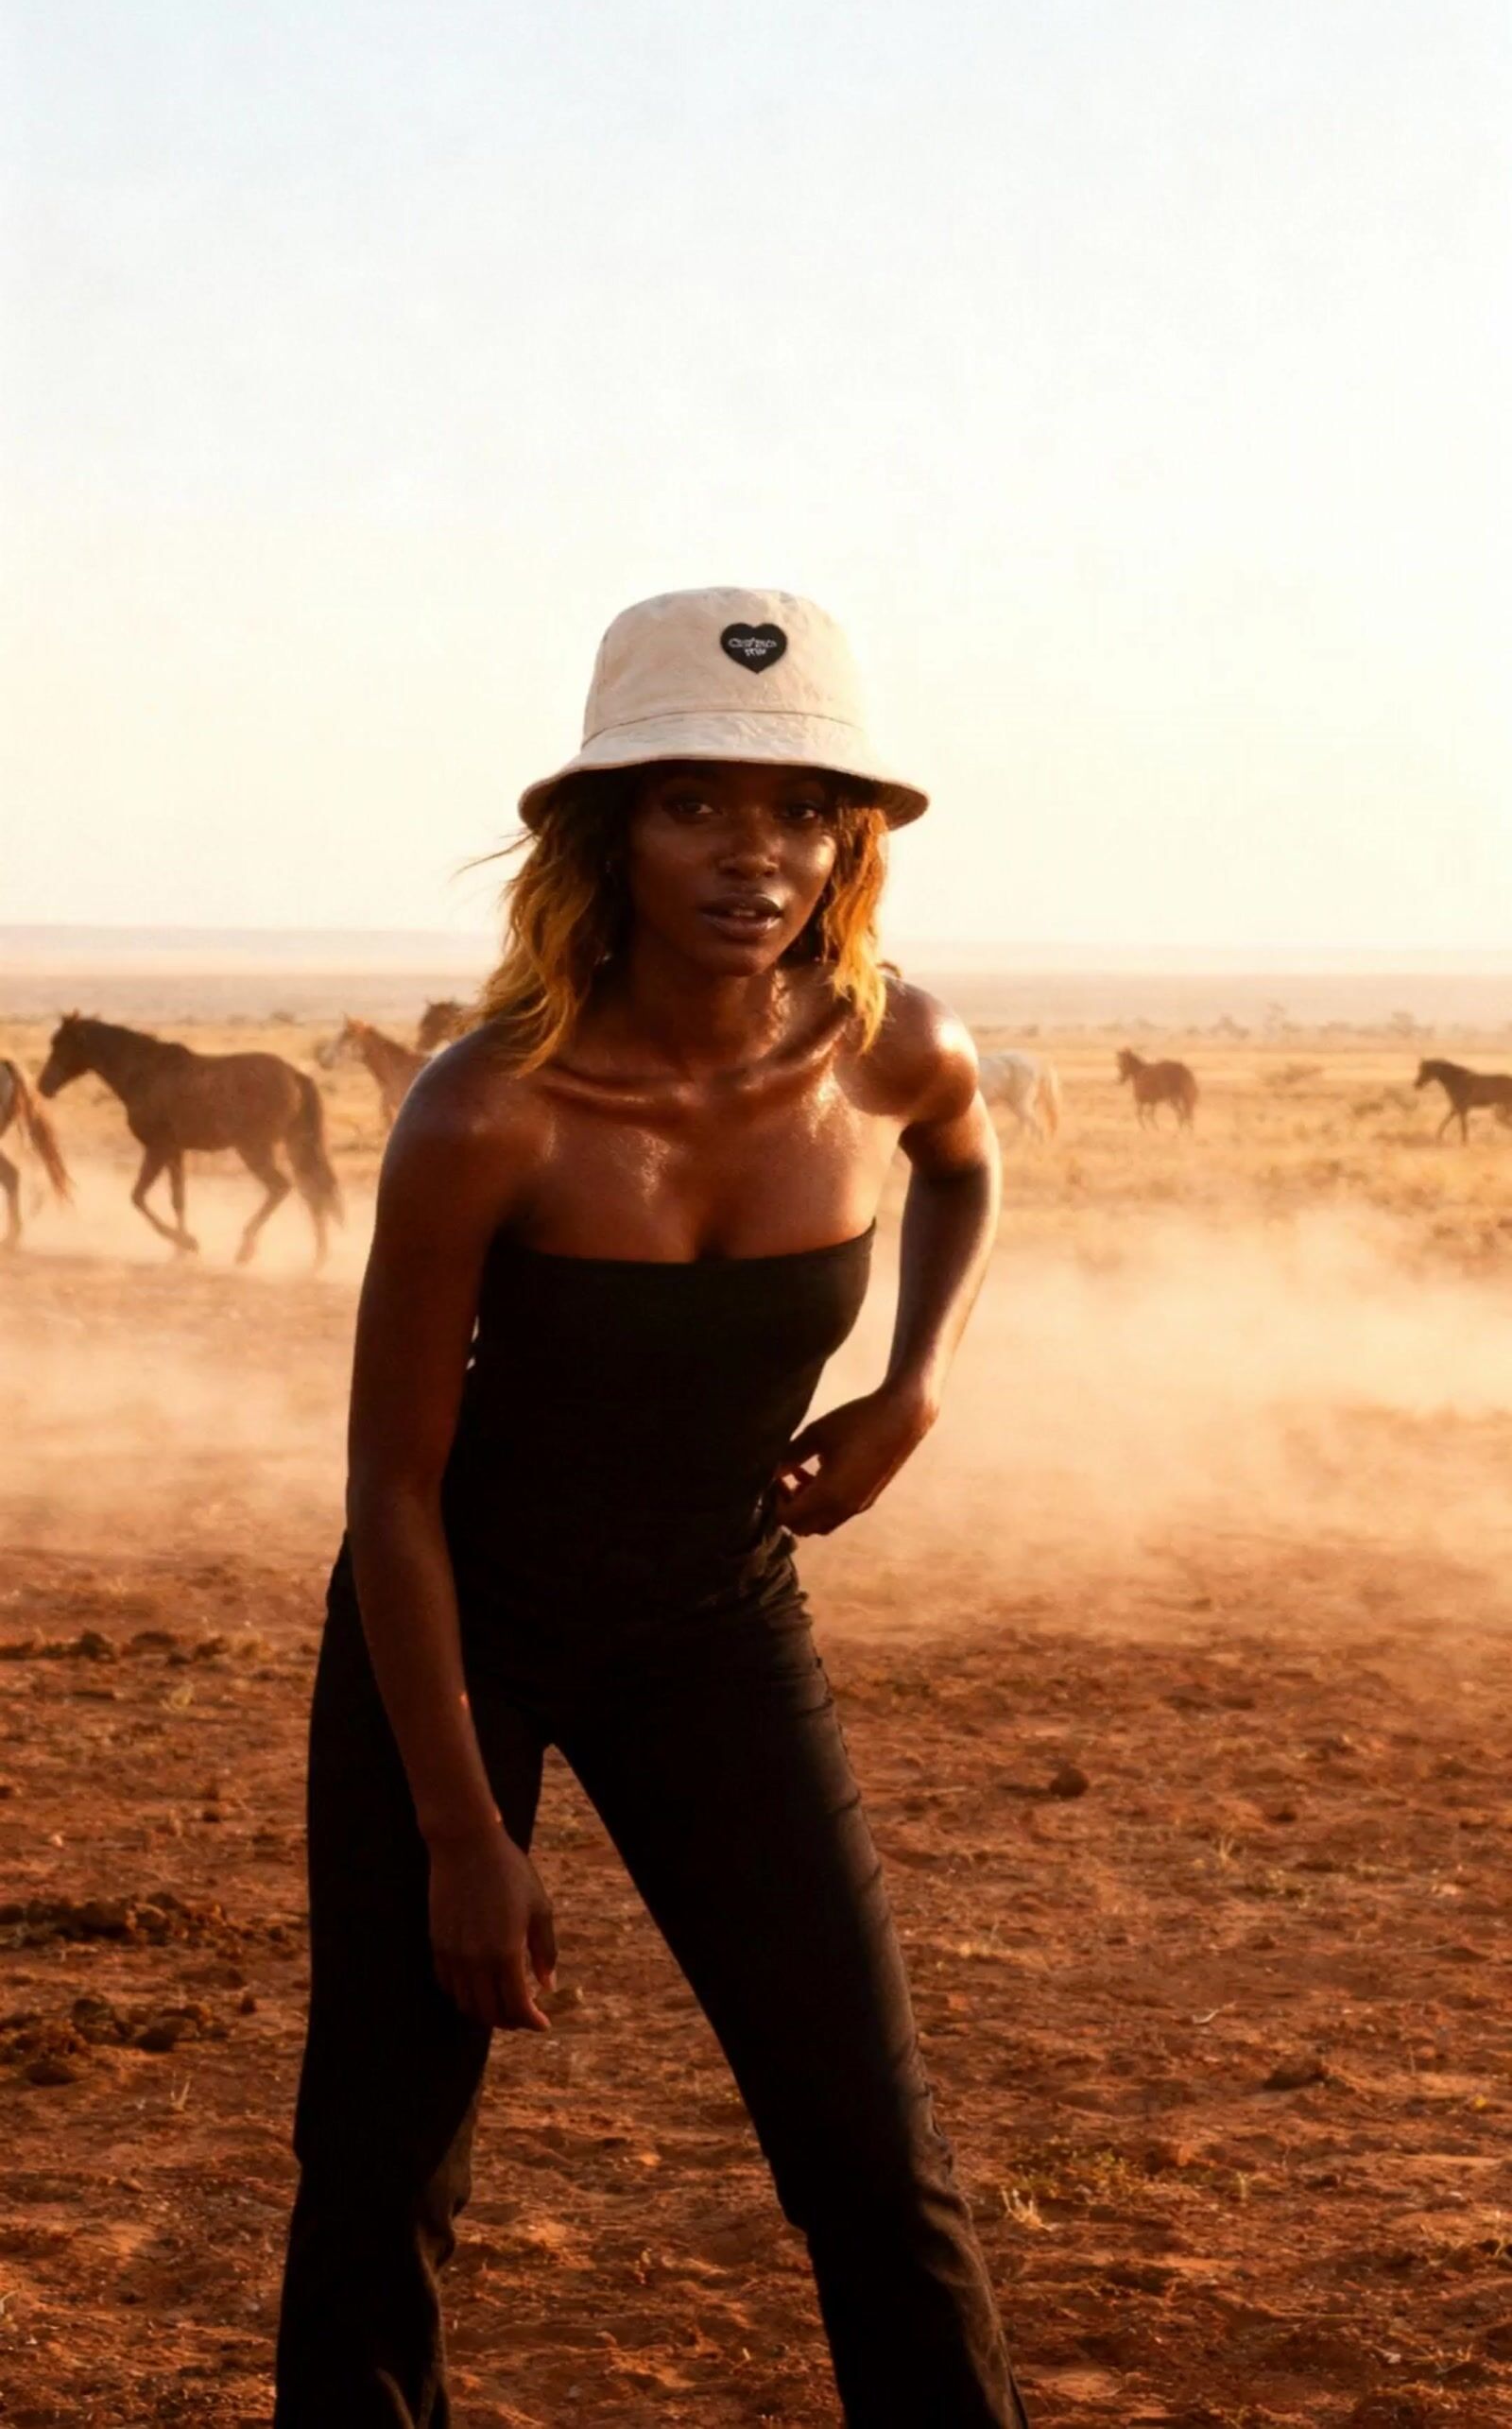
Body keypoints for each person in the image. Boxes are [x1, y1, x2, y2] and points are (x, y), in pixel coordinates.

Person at [273, 588, 1031, 2427]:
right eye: (694, 803)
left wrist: (911, 1386)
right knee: (384, 2165)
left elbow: (962, 1166)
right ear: (605, 829)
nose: (752, 855)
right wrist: (459, 1830)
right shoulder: (488, 1112)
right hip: (454, 1632)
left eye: (795, 811)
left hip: (717, 1619)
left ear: (847, 838)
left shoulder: (884, 1047)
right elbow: (389, 1488)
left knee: (872, 2152)